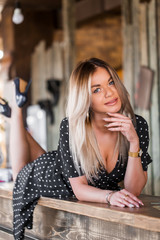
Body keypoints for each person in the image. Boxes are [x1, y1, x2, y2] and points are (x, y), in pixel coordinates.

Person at [0, 58, 152, 240]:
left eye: (111, 82)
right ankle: (16, 111)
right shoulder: (72, 126)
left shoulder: (137, 125)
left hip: (62, 165)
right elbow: (79, 189)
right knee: (19, 174)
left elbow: (133, 189)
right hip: (51, 177)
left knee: (45, 157)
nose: (109, 93)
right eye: (96, 89)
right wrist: (110, 196)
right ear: (85, 98)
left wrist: (134, 142)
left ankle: (11, 116)